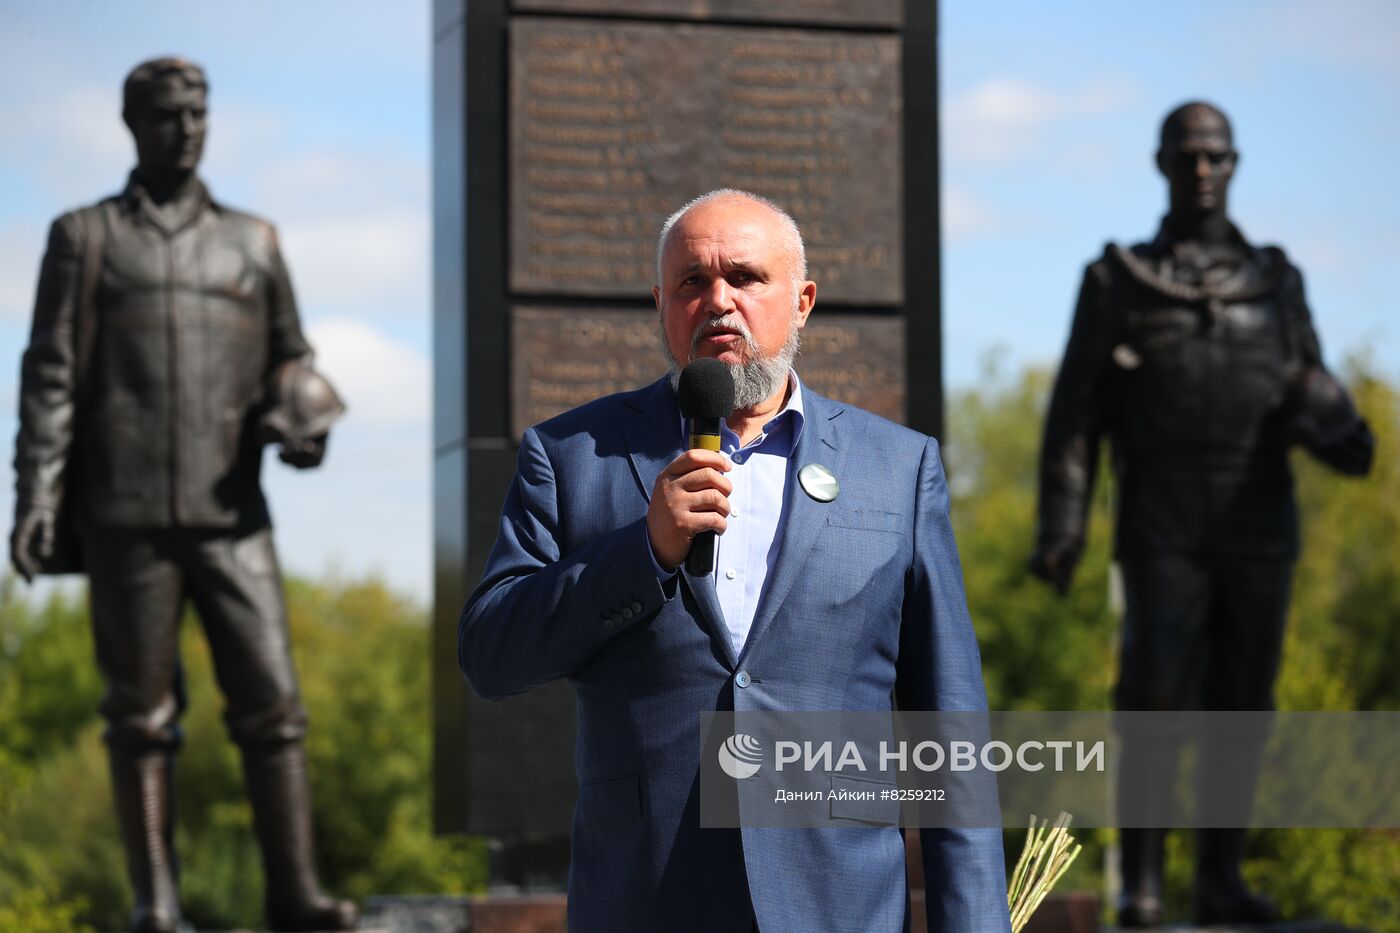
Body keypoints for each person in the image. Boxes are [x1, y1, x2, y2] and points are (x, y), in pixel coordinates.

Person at [460, 189, 1010, 932]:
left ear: (804, 300)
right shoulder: (570, 458)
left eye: (746, 277)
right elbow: (492, 653)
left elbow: (950, 730)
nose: (718, 300)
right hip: (645, 903)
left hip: (839, 908)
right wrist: (644, 549)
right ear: (662, 303)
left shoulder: (898, 470)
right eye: (692, 282)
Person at [8, 58, 354, 933]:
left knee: (275, 704)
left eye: (198, 113)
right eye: (167, 115)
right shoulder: (84, 237)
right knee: (140, 716)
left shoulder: (254, 240)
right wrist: (34, 499)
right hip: (124, 515)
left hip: (233, 513)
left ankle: (294, 890)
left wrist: (302, 417)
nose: (186, 128)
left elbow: (292, 355)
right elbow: (49, 378)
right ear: (133, 123)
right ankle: (154, 902)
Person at [1031, 102, 1373, 927]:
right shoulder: (1116, 280)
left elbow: (1315, 387)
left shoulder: (1277, 281)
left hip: (1259, 526)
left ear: (1235, 162)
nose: (1203, 171)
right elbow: (1075, 414)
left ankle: (1220, 876)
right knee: (1153, 697)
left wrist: (1327, 420)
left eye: (1216, 156)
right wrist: (1063, 523)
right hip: (1162, 522)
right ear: (1161, 163)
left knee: (1242, 702)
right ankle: (1141, 883)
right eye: (1188, 157)